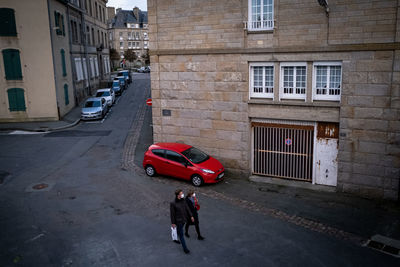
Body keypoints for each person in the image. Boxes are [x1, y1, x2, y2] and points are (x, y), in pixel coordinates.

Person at [170, 189, 194, 254]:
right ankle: (185, 248)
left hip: (184, 219)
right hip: (178, 221)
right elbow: (172, 214)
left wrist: (191, 216)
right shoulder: (173, 203)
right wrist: (173, 223)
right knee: (181, 235)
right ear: (178, 195)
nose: (183, 194)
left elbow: (187, 208)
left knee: (178, 231)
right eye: (181, 193)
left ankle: (175, 237)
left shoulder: (183, 200)